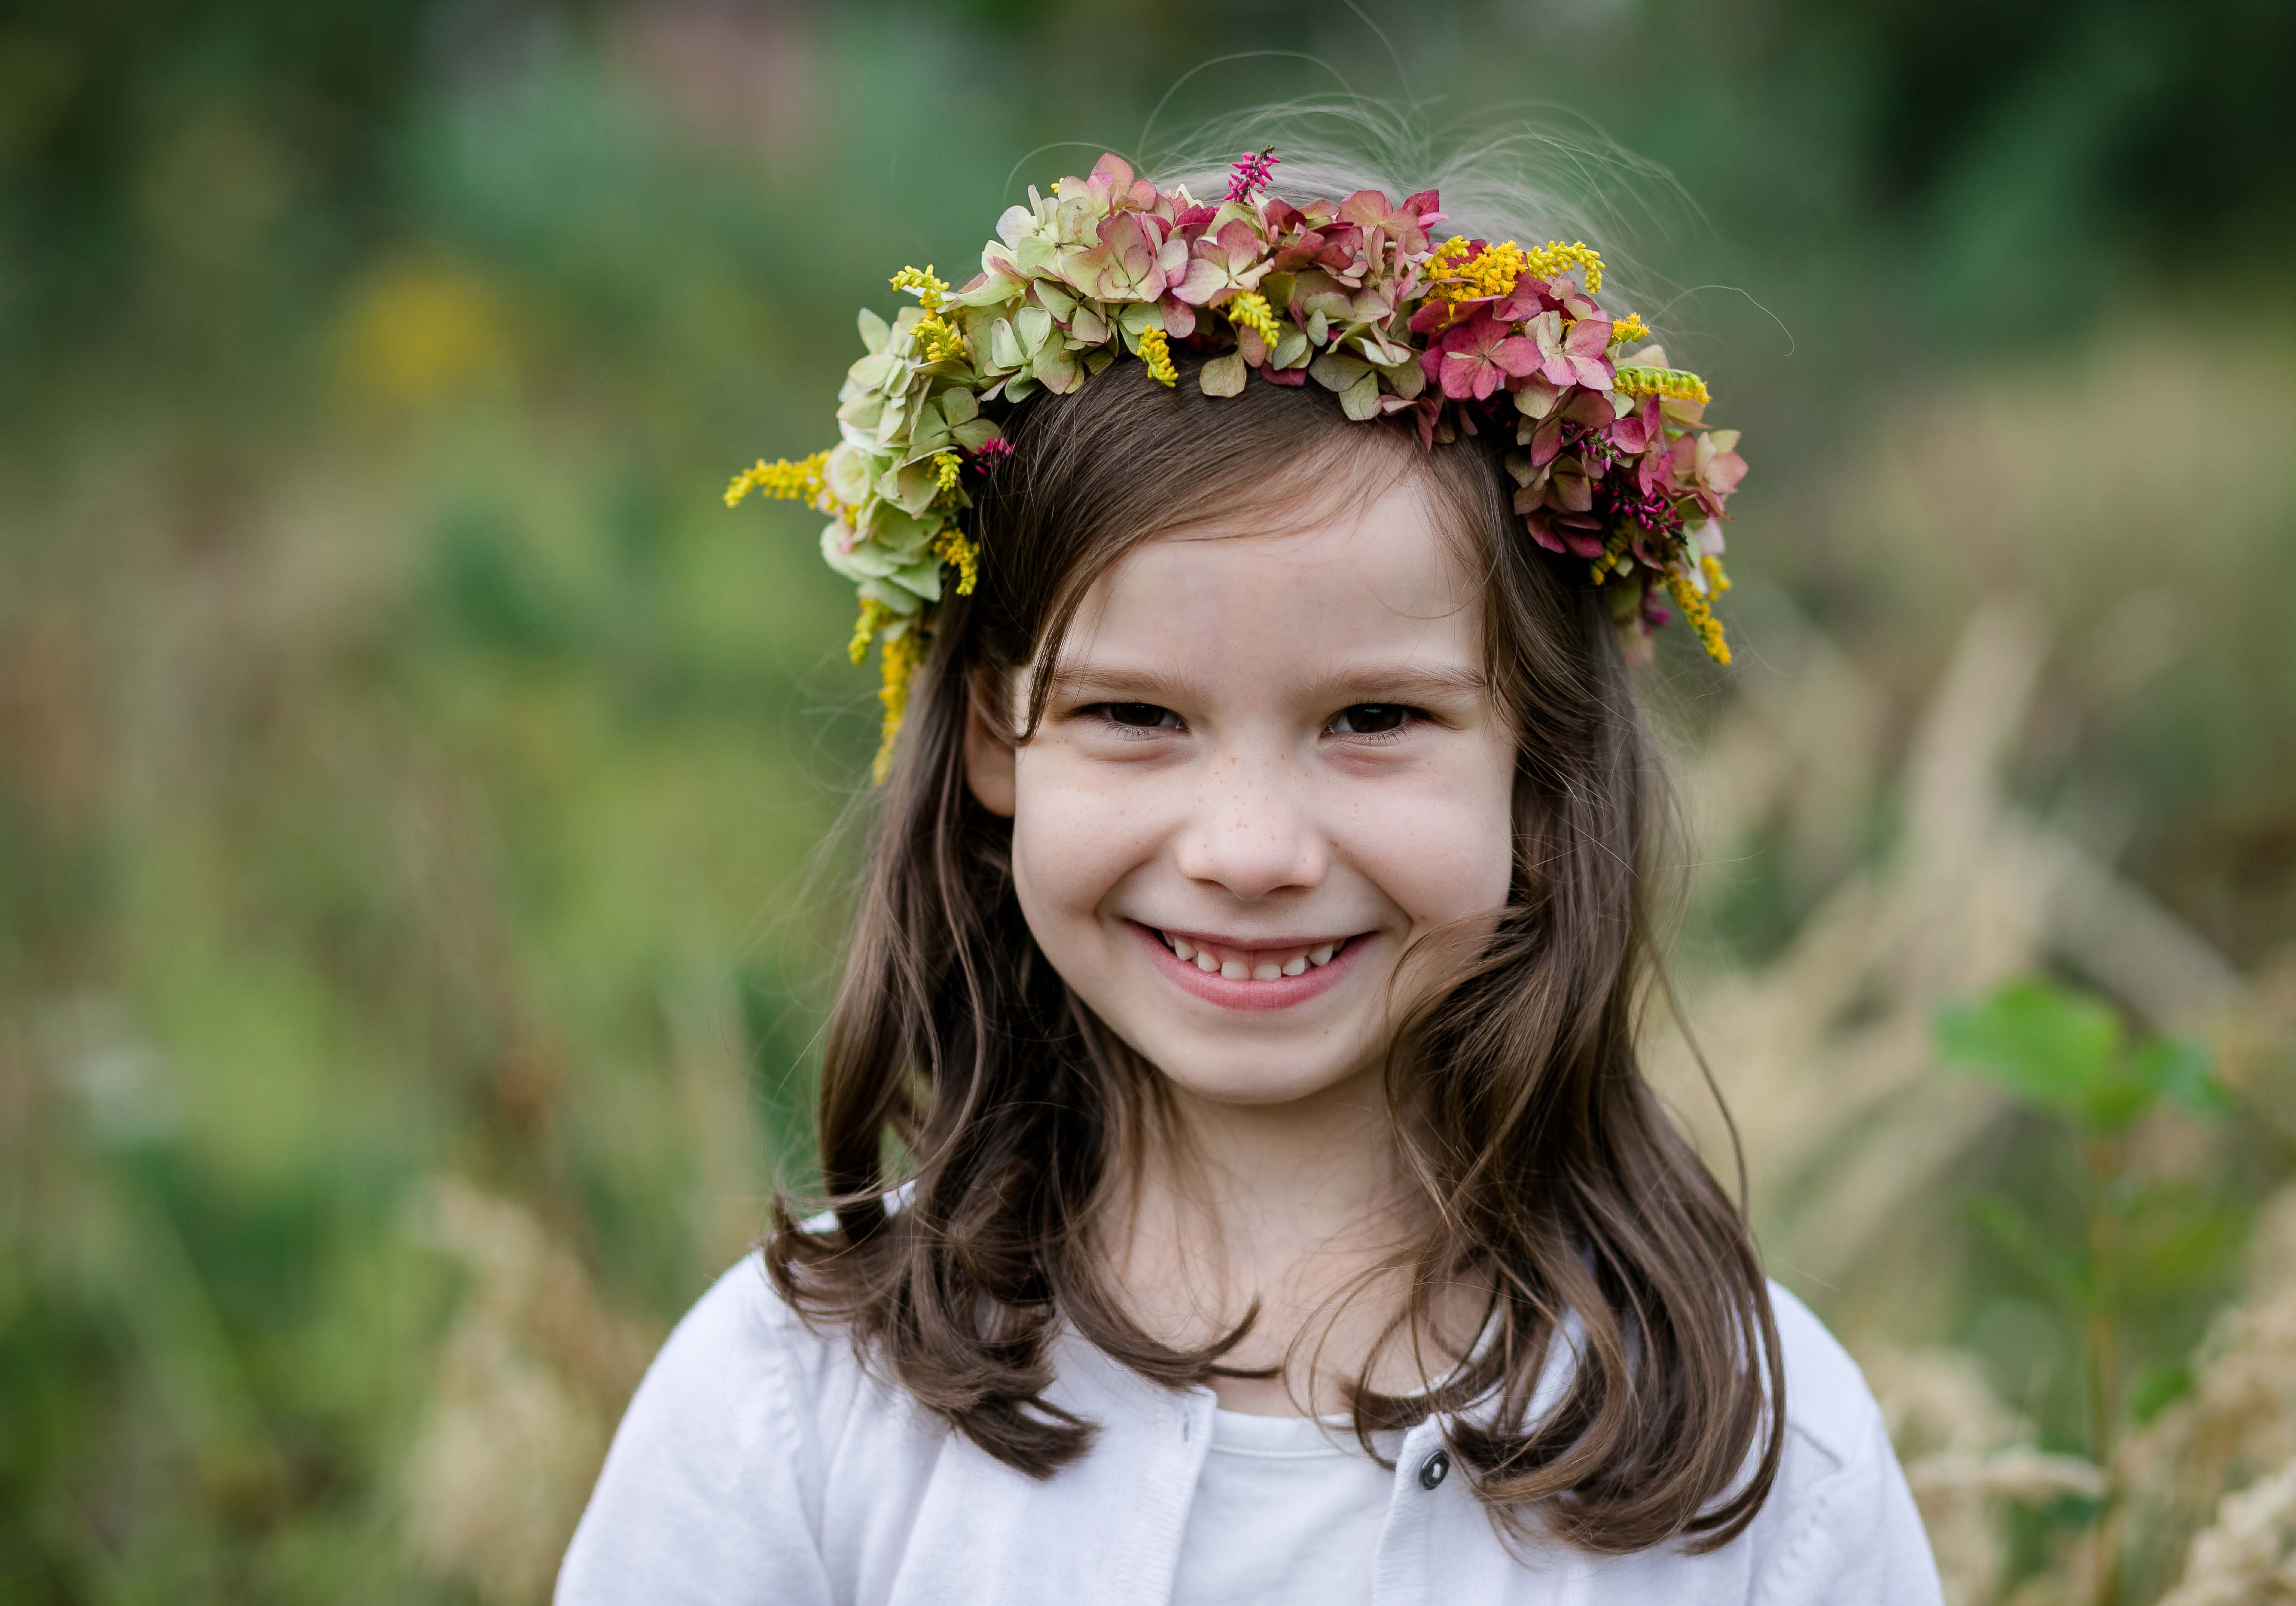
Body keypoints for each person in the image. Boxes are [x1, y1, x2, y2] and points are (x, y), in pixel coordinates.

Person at [556, 131, 1942, 1605]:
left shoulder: (1758, 1465)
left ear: (1539, 761)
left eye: (1376, 720)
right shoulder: (790, 1409)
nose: (1252, 853)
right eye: (1135, 716)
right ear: (993, 740)